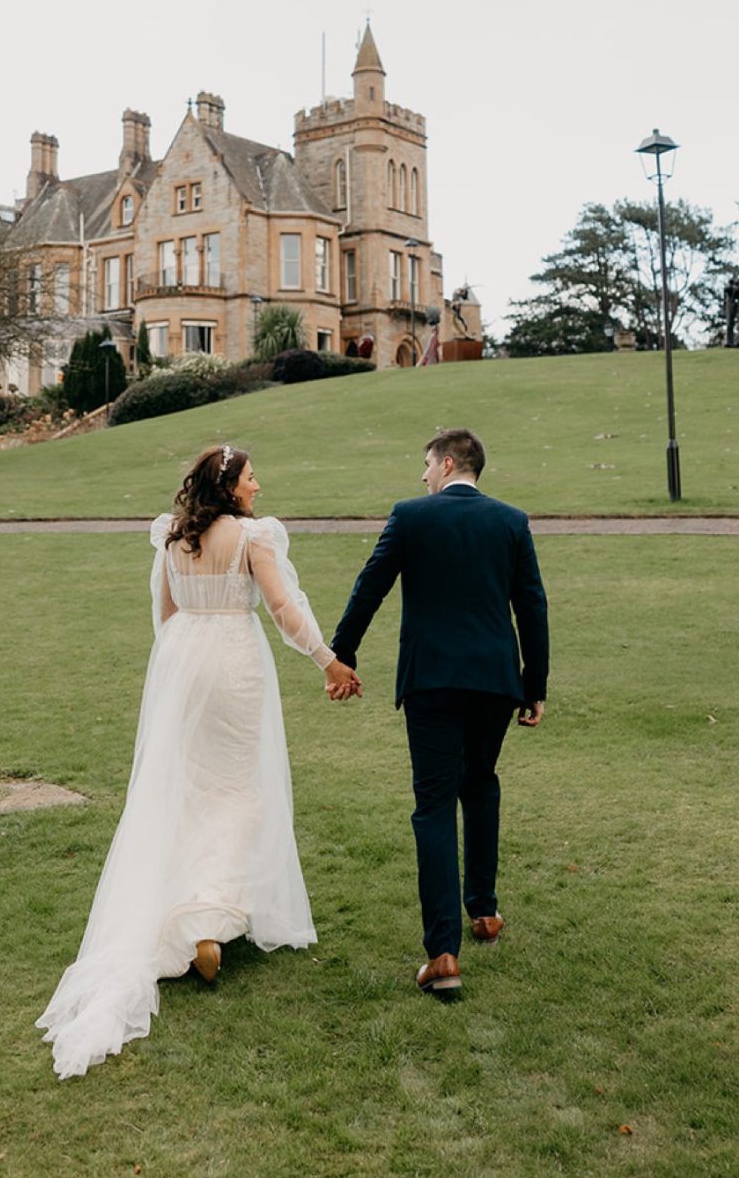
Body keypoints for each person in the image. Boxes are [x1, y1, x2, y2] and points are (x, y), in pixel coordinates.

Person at [37, 443, 359, 1077]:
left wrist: (180, 669)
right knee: (237, 788)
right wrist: (329, 662)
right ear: (230, 486)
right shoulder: (252, 537)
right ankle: (205, 921)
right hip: (234, 662)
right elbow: (283, 609)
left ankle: (173, 904)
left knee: (185, 788)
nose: (259, 486)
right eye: (251, 478)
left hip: (183, 661)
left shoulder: (171, 535)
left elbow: (165, 613)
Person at [329, 427, 548, 1000]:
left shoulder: (410, 516)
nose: (423, 476)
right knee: (480, 784)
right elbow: (532, 605)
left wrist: (341, 654)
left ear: (448, 464)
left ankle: (443, 954)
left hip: (431, 682)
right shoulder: (511, 521)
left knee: (433, 805)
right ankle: (485, 912)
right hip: (495, 683)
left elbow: (370, 588)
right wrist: (534, 685)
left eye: (427, 465)